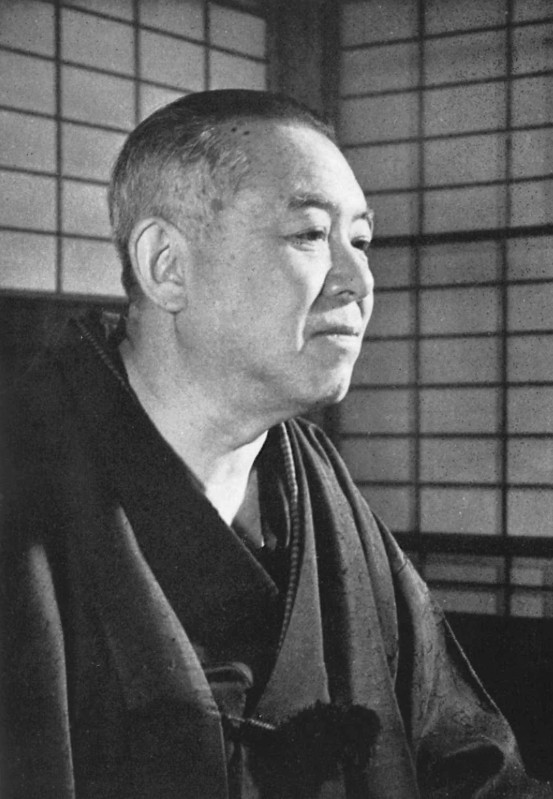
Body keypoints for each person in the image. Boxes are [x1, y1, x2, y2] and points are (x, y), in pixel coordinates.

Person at [1, 90, 550, 799]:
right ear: (167, 265)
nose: (359, 282)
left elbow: (467, 763)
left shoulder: (315, 479)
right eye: (310, 235)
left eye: (361, 241)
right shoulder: (24, 478)